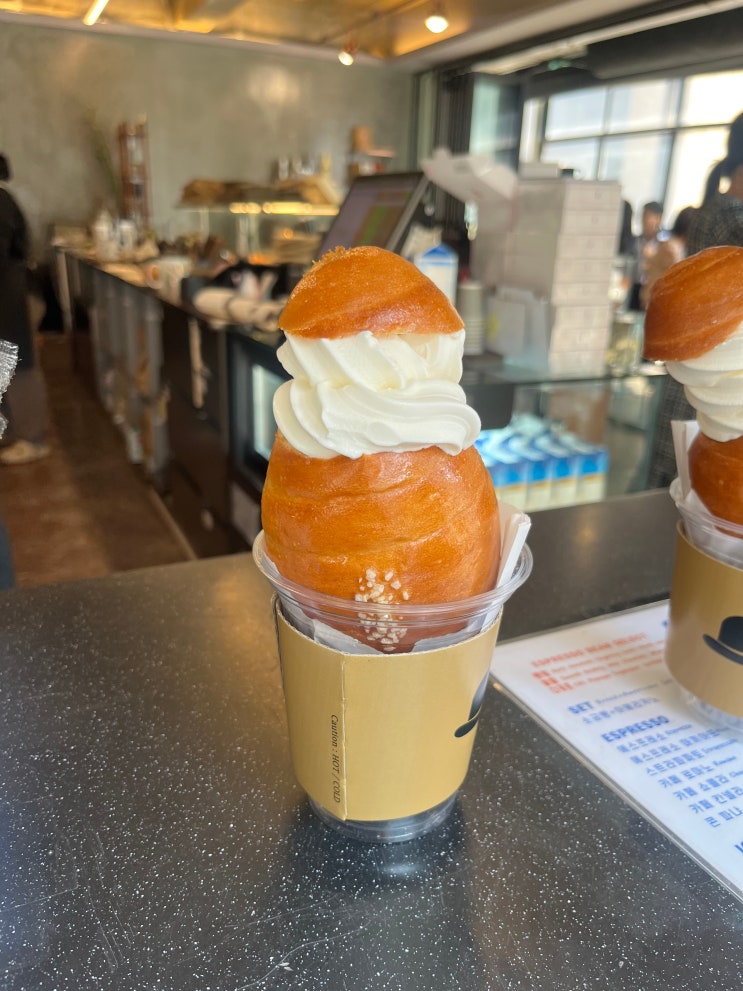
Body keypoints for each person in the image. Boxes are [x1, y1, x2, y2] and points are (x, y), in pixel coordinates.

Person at [647, 111, 743, 489]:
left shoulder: (715, 208)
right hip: (713, 378)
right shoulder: (731, 217)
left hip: (705, 369)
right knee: (691, 481)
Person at [0, 152, 50, 465]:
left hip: (13, 296)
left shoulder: (0, 202)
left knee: (19, 367)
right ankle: (13, 432)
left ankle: (33, 440)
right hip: (11, 294)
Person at [639, 205, 697, 310]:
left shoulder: (673, 245)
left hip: (656, 300)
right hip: (655, 302)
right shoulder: (671, 249)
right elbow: (679, 278)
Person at [628, 201, 664, 311]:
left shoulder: (663, 246)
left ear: (658, 219)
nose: (644, 221)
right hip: (633, 288)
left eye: (648, 217)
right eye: (643, 216)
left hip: (651, 291)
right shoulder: (634, 242)